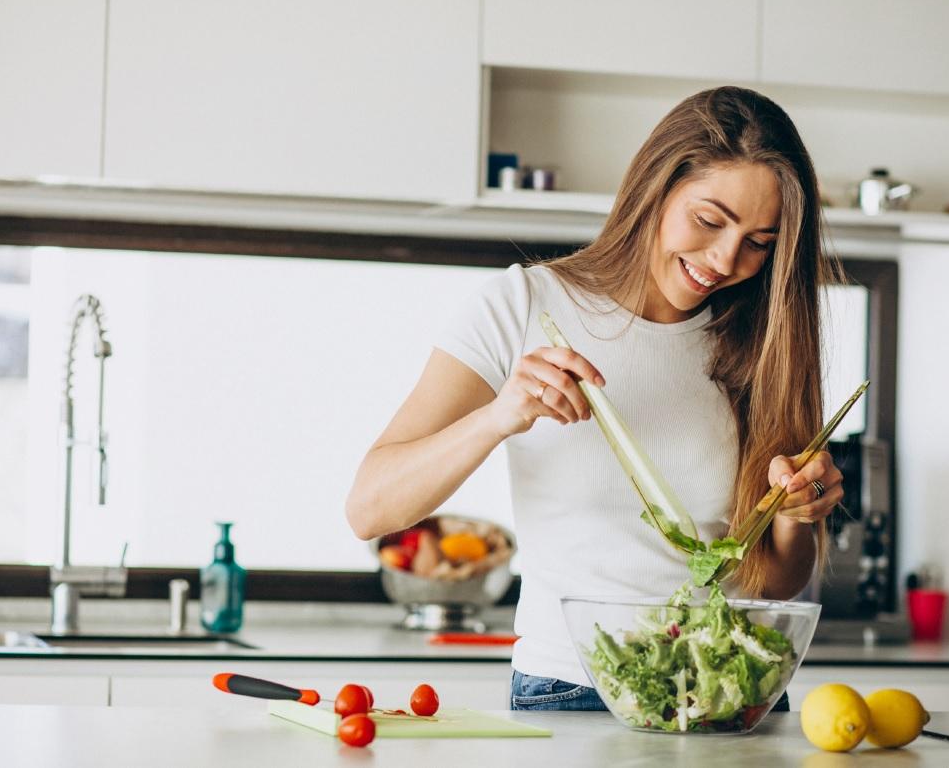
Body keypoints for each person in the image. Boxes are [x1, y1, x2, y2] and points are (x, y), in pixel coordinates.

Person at [346, 86, 844, 713]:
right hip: (573, 688)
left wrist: (798, 514)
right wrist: (499, 415)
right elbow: (370, 508)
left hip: (733, 691)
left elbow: (771, 578)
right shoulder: (524, 306)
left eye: (759, 242)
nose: (724, 259)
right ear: (655, 190)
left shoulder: (762, 342)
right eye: (709, 221)